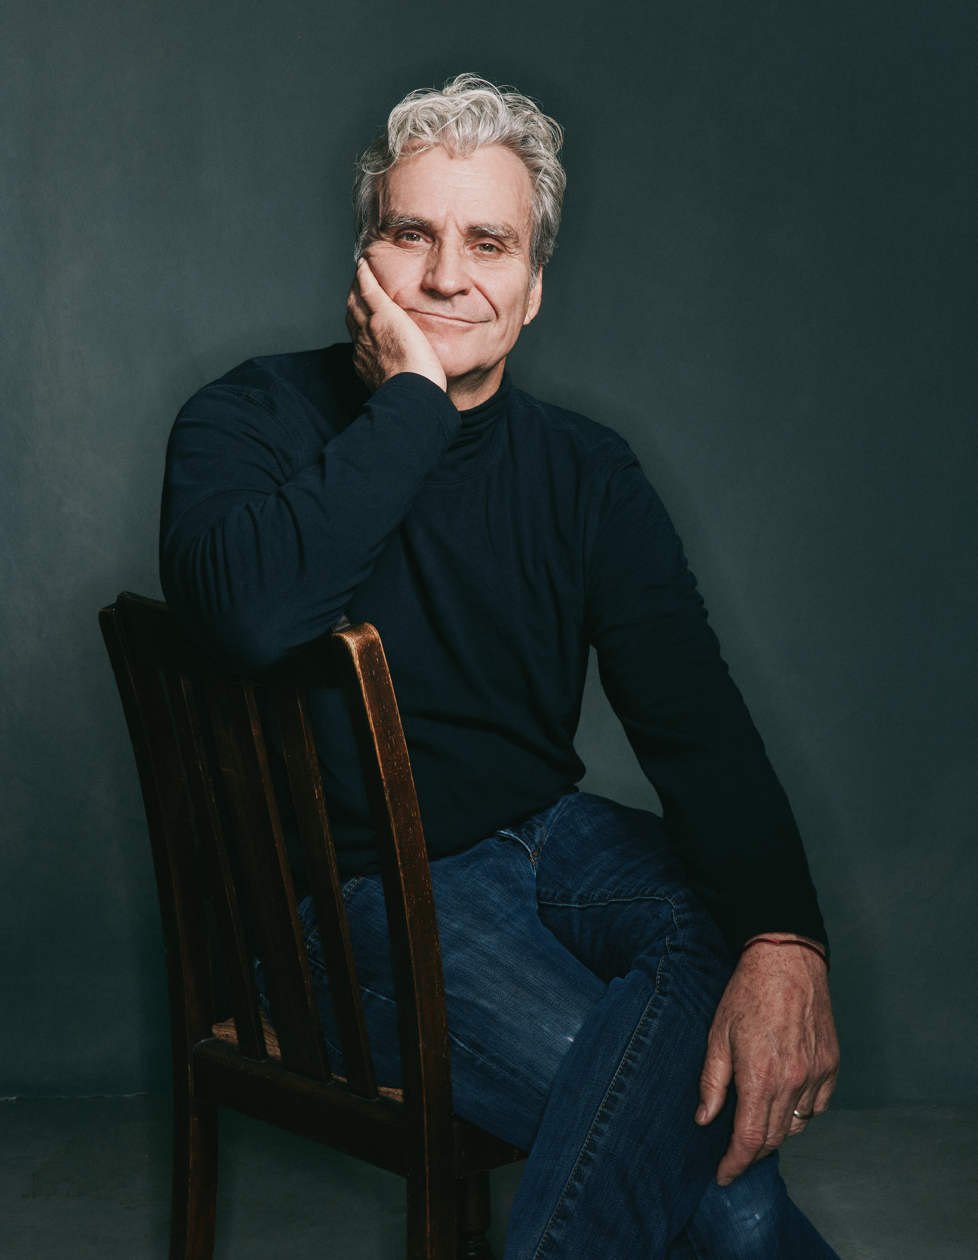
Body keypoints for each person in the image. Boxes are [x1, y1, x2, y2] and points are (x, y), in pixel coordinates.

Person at [160, 75, 841, 1258]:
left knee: (726, 920)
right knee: (731, 1211)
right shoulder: (247, 417)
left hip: (551, 842)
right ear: (365, 258)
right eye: (410, 233)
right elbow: (250, 619)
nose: (444, 275)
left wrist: (785, 936)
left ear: (531, 288)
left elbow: (695, 724)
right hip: (349, 899)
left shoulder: (587, 472)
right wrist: (414, 403)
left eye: (488, 243)